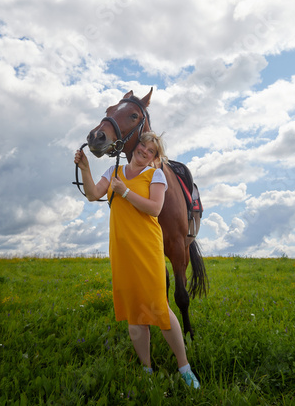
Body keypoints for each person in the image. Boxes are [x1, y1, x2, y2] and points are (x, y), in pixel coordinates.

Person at [74, 131, 200, 388]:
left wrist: (124, 192)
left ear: (155, 157)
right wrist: (85, 168)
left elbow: (155, 208)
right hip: (122, 249)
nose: (144, 151)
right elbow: (92, 194)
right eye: (142, 146)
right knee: (134, 314)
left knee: (159, 308)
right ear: (135, 147)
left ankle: (184, 367)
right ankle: (147, 368)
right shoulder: (113, 171)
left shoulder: (156, 175)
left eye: (150, 151)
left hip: (147, 248)